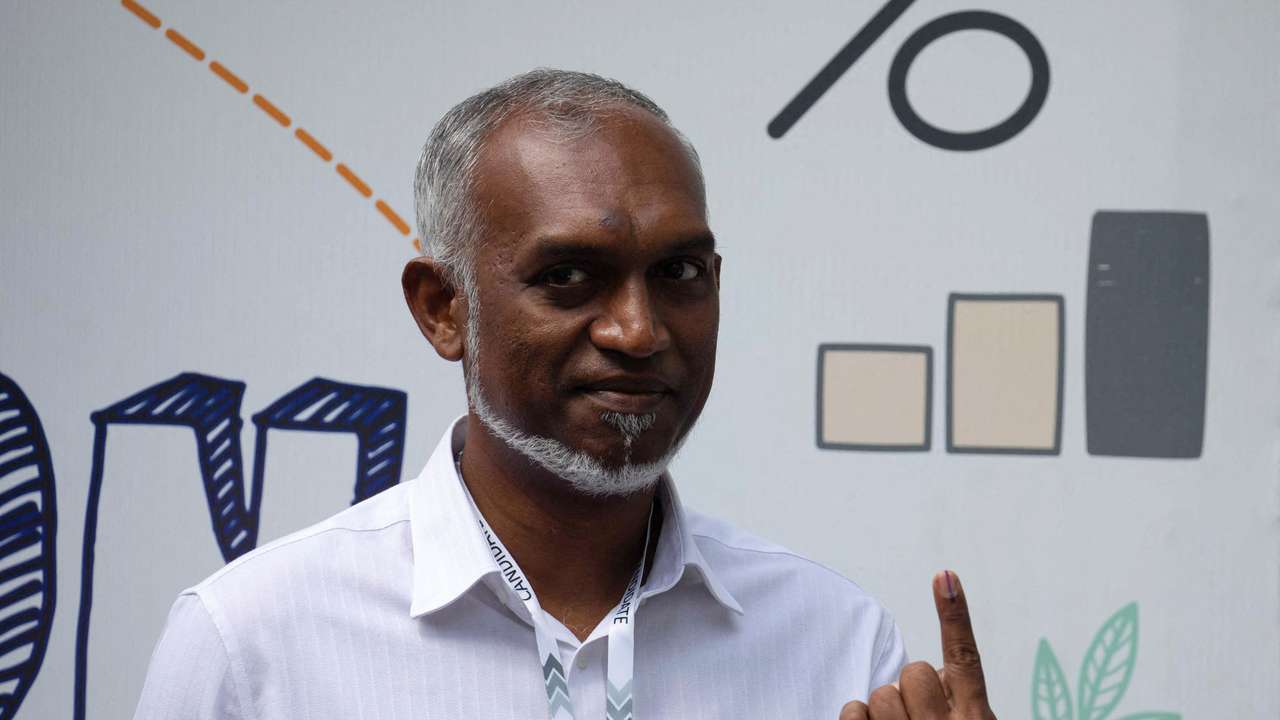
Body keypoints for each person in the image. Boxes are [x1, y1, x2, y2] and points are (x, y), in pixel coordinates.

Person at [134, 68, 997, 720]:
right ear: (443, 309)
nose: (638, 330)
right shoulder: (250, 645)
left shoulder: (838, 643)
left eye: (679, 273)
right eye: (568, 275)